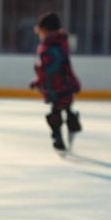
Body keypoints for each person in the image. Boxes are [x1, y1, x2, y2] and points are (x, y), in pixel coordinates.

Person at [29, 12, 82, 151]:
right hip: (66, 82)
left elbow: (48, 68)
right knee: (65, 106)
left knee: (56, 110)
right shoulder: (62, 41)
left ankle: (58, 137)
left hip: (55, 85)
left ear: (45, 29)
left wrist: (39, 79)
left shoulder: (48, 45)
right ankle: (71, 124)